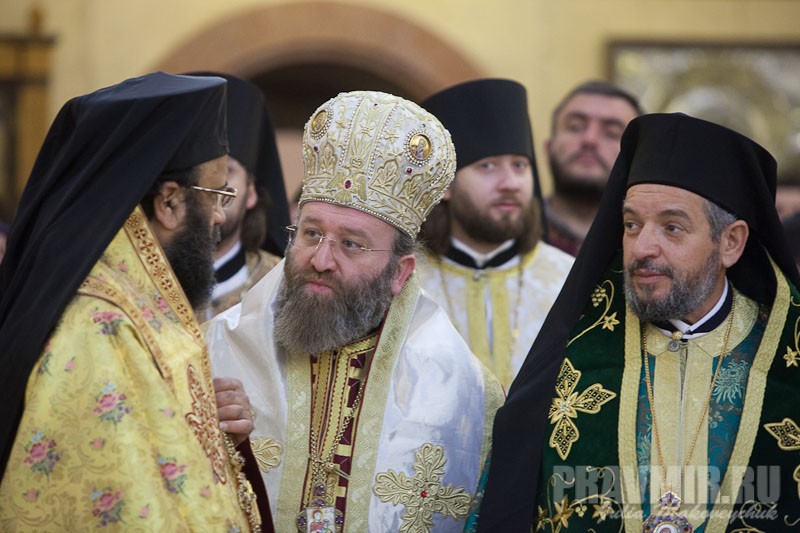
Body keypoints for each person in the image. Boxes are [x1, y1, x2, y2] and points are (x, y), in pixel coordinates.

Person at [476, 113, 800, 531]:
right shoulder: (572, 361)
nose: (643, 247)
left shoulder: (785, 360)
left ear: (731, 242)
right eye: (631, 225)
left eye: (672, 227)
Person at [206, 90, 504, 532]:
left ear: (400, 272)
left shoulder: (467, 396)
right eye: (310, 234)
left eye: (351, 244)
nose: (321, 260)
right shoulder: (213, 351)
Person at [0, 72, 267, 531]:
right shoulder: (97, 327)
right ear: (169, 203)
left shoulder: (139, 300)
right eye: (216, 194)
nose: (220, 215)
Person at [417, 78, 574, 389]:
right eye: (487, 166)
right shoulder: (406, 282)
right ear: (445, 186)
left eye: (519, 165)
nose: (510, 183)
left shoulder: (568, 280)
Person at [188, 72, 289, 319]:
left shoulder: (283, 286)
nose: (209, 186)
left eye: (226, 170)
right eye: (194, 171)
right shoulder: (139, 276)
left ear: (251, 193)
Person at [543, 80, 642, 256]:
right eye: (575, 127)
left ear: (639, 159)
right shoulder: (506, 237)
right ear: (549, 148)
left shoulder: (649, 248)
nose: (589, 139)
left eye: (611, 133)